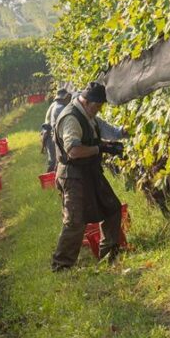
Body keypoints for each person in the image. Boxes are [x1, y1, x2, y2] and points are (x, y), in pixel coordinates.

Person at [51, 82, 126, 271]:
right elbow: (74, 151)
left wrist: (122, 133)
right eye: (98, 106)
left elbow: (109, 131)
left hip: (89, 171)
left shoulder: (89, 115)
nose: (99, 110)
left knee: (112, 208)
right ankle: (62, 266)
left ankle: (109, 254)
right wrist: (100, 148)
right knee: (75, 221)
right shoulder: (71, 119)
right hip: (73, 175)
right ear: (86, 101)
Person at [41, 87, 73, 172]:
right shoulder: (59, 107)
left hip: (51, 134)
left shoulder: (55, 105)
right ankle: (51, 179)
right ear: (65, 98)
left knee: (55, 160)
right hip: (50, 135)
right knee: (53, 161)